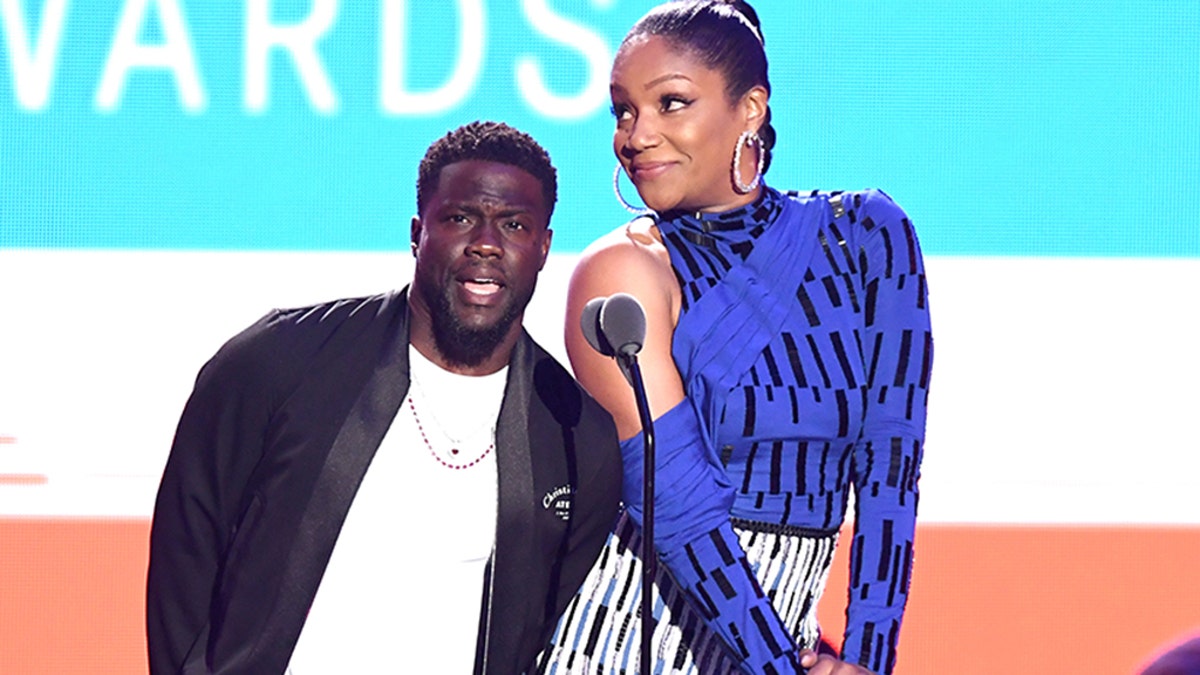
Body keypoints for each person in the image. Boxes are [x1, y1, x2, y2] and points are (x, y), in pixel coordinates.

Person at [145, 121, 624, 674]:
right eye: (461, 218)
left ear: (542, 247)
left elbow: (545, 631)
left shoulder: (574, 435)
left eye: (513, 225)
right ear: (418, 233)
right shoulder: (279, 360)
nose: (487, 244)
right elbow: (187, 554)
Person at [538, 2, 932, 674]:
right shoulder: (624, 271)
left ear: (750, 109)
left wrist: (868, 658)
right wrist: (777, 667)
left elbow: (890, 464)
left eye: (671, 103)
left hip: (782, 640)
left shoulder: (868, 233)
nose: (637, 134)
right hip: (631, 640)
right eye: (623, 111)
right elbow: (679, 507)